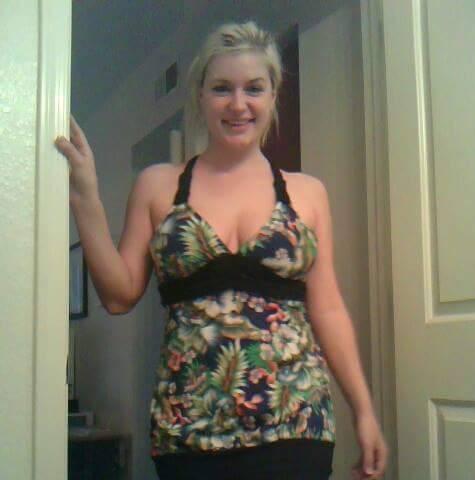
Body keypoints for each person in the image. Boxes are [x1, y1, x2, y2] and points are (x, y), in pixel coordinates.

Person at [56, 20, 388, 480]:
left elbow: (328, 308)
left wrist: (364, 411)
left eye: (254, 88)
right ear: (200, 96)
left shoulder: (308, 194)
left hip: (296, 424)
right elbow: (118, 295)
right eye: (221, 89)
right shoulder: (157, 185)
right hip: (188, 430)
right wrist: (86, 199)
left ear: (272, 95)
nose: (238, 104)